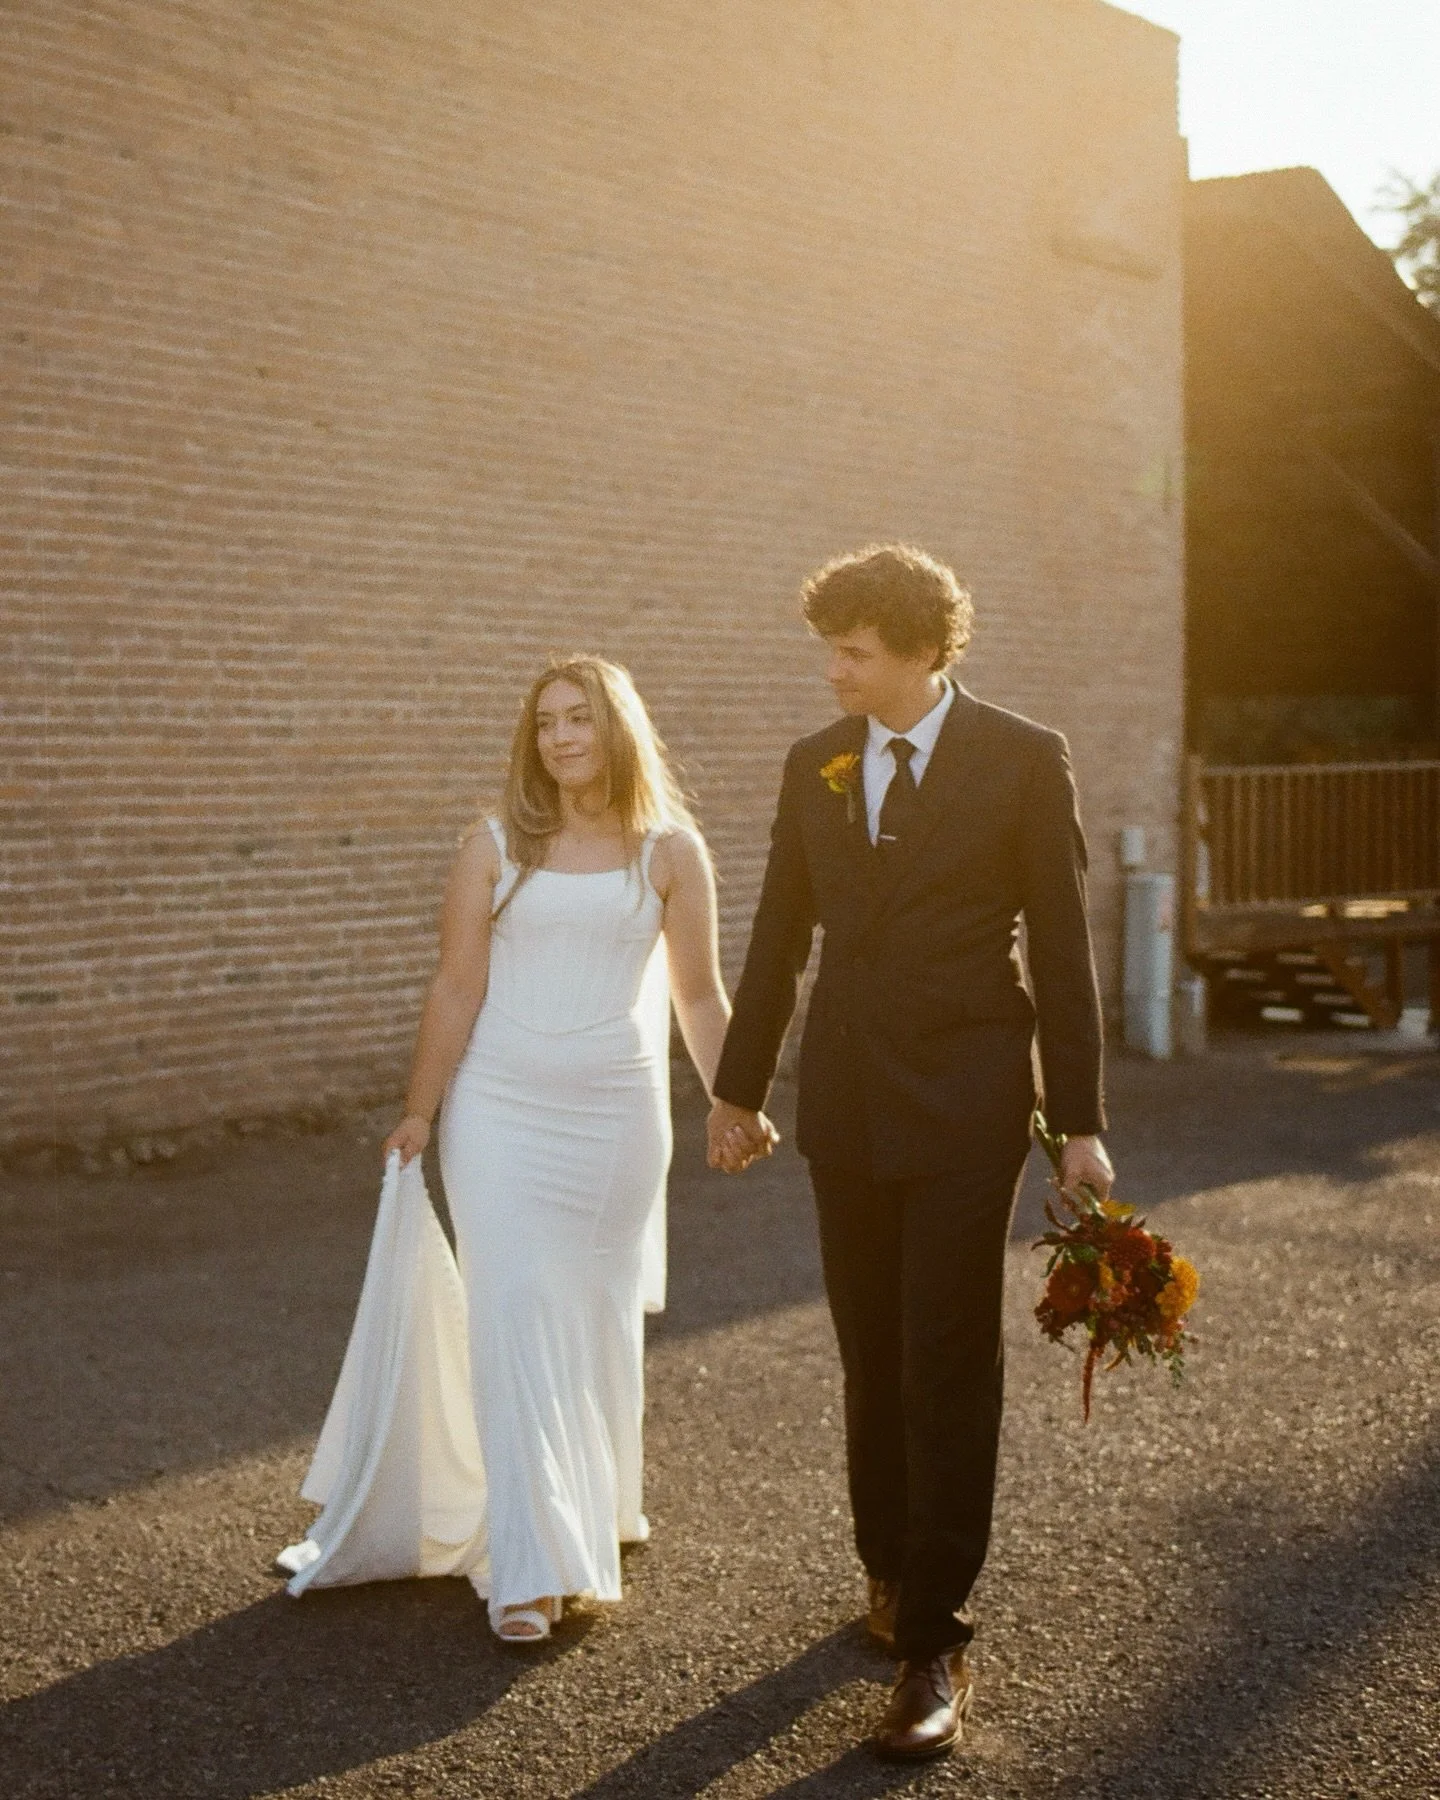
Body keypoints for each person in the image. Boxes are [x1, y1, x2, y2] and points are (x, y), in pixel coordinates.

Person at [706, 545, 1113, 1760]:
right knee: (867, 1346)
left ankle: (936, 1635)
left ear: (927, 652)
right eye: (828, 649)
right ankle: (885, 1567)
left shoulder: (1024, 760)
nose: (834, 671)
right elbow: (779, 933)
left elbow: (1063, 945)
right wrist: (736, 1093)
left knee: (944, 1350)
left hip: (967, 1099)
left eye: (857, 654)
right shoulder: (813, 763)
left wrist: (1078, 1122)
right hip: (845, 1096)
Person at [278, 656, 741, 1642]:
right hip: (501, 1113)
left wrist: (731, 1099)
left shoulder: (671, 852)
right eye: (546, 724)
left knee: (595, 1318)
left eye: (579, 719)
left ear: (618, 728)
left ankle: (599, 1509)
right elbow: (456, 987)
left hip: (617, 1121)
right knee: (517, 1309)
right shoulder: (493, 845)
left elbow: (696, 995)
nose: (561, 738)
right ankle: (527, 1566)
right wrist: (421, 1111)